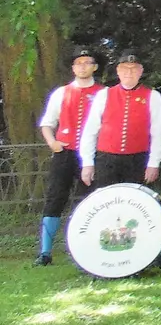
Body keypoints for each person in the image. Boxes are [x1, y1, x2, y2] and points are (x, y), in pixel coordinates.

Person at [35, 48, 104, 266]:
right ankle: (45, 252)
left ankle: (91, 247)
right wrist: (52, 143)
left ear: (95, 66)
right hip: (66, 152)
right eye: (78, 63)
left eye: (87, 62)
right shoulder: (61, 92)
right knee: (55, 198)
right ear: (73, 68)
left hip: (93, 154)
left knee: (93, 200)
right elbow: (47, 123)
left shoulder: (104, 92)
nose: (82, 66)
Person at [79, 50, 161, 191]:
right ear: (118, 71)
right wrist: (87, 162)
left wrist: (154, 163)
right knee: (106, 201)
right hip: (106, 159)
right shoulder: (104, 95)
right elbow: (90, 130)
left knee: (135, 202)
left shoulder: (153, 96)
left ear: (141, 71)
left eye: (134, 69)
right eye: (125, 68)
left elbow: (158, 133)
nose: (129, 73)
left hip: (137, 160)